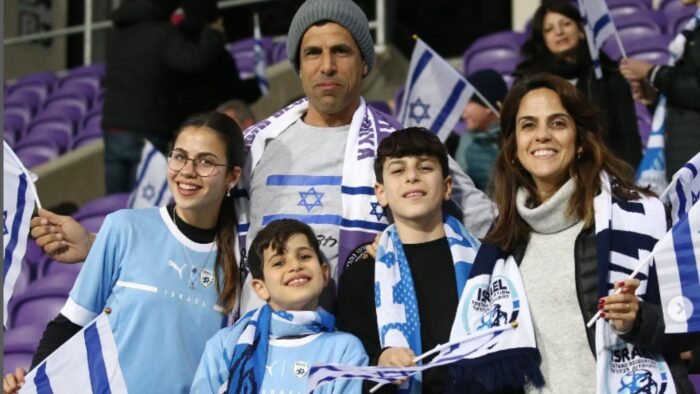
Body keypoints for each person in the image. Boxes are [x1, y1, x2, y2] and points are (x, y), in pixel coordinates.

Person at [28, 0, 494, 316]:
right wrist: (95, 245)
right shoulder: (254, 145)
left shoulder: (404, 148)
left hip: (365, 355)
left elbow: (485, 224)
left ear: (365, 64)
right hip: (265, 356)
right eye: (312, 53)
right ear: (298, 65)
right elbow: (189, 229)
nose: (326, 66)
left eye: (340, 52)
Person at [451, 73, 695, 393]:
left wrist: (639, 320)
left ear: (579, 141)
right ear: (512, 147)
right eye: (528, 125)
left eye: (557, 123)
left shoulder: (641, 218)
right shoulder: (500, 245)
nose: (542, 136)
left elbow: (691, 327)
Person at [3, 111, 244, 393]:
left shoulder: (241, 255)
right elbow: (68, 325)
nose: (188, 171)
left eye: (206, 161)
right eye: (179, 156)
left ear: (232, 177)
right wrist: (31, 382)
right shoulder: (123, 227)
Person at [336, 127, 481, 393]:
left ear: (447, 186)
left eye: (425, 168)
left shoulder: (485, 263)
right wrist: (379, 360)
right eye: (398, 170)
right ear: (380, 193)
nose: (412, 177)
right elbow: (350, 364)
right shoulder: (361, 277)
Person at [191, 219, 367, 394]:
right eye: (279, 263)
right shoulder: (224, 344)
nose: (295, 266)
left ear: (324, 273)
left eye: (304, 256)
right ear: (261, 288)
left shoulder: (345, 350)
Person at [101, 0, 227, 194]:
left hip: (114, 127)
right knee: (148, 202)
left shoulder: (117, 33)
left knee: (114, 203)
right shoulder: (162, 32)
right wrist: (213, 33)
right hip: (148, 127)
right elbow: (191, 60)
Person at [514, 1, 642, 169]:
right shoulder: (529, 81)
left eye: (566, 24)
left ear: (581, 30)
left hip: (604, 171)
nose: (559, 32)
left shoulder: (608, 73)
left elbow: (629, 136)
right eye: (549, 29)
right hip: (550, 170)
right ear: (543, 39)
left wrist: (628, 176)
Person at [619, 0, 700, 176]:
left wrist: (652, 72)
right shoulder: (693, 29)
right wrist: (655, 99)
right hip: (686, 162)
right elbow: (687, 108)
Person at [454, 69, 507, 191]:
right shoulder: (467, 141)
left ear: (488, 106)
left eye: (469, 103)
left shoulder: (517, 134)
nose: (463, 113)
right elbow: (462, 190)